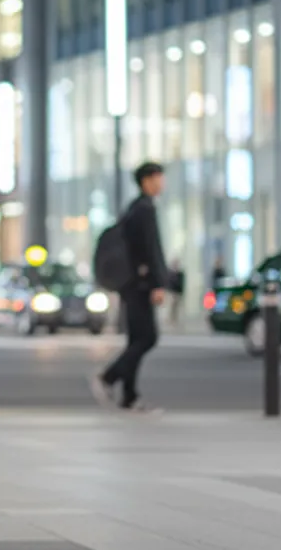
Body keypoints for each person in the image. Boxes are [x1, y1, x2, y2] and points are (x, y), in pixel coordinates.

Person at [91, 162, 168, 413]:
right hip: (140, 285)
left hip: (131, 284)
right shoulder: (144, 209)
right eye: (157, 178)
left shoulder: (134, 209)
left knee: (137, 337)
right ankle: (109, 377)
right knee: (148, 337)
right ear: (146, 181)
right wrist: (157, 283)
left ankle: (129, 396)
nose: (161, 183)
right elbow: (150, 250)